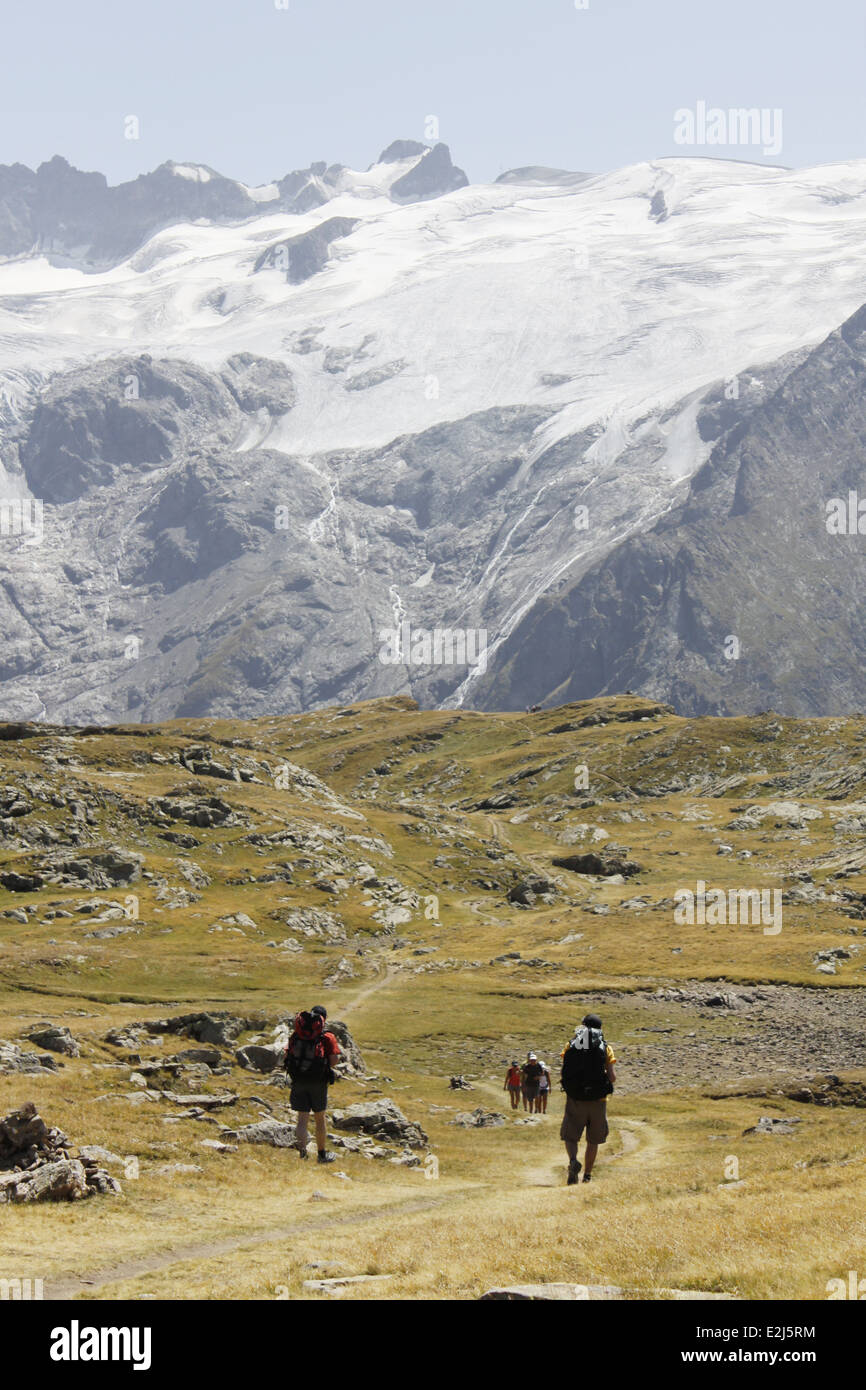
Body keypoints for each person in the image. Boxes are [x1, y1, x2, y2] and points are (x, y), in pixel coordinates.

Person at [559, 1013, 616, 1185]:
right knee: (593, 1140)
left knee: (571, 1136)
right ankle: (587, 1176)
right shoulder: (605, 1047)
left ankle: (573, 1161)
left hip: (575, 1098)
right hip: (598, 1100)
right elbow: (612, 1077)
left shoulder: (571, 1045)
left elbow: (566, 1070)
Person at [285, 1005, 340, 1164]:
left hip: (298, 1080)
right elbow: (334, 1061)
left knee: (302, 1119)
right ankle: (322, 1155)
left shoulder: (296, 1035)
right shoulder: (327, 1037)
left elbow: (287, 1055)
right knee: (319, 1118)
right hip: (318, 1082)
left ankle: (302, 1154)